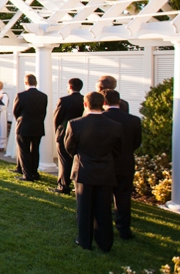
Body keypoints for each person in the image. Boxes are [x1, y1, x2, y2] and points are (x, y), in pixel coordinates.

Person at [65, 92, 122, 252]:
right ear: (103, 104)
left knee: (84, 208)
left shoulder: (75, 124)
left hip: (84, 170)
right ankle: (105, 243)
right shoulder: (115, 126)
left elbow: (69, 148)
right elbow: (118, 150)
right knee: (104, 208)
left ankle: (84, 240)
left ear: (85, 104)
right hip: (105, 170)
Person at [102, 90, 142, 240]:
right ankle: (124, 230)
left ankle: (104, 228)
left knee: (104, 198)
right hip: (126, 163)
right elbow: (136, 143)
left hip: (106, 164)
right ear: (119, 101)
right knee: (124, 198)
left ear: (104, 102)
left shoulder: (101, 119)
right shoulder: (134, 120)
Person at [11, 74, 48, 181]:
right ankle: (34, 172)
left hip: (24, 126)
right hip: (38, 126)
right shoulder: (43, 96)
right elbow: (43, 112)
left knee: (24, 150)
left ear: (26, 83)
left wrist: (20, 120)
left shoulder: (21, 95)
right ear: (35, 82)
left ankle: (27, 174)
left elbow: (16, 111)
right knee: (35, 150)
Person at [53, 78, 85, 195]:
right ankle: (75, 183)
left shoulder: (63, 100)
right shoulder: (84, 100)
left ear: (70, 87)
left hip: (65, 132)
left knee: (64, 160)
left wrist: (57, 130)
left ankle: (63, 185)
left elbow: (57, 118)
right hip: (80, 133)